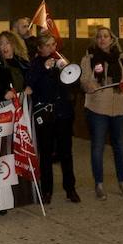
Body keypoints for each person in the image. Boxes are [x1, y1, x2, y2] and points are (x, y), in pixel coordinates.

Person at [79, 26, 123, 200]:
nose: (102, 39)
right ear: (96, 39)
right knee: (98, 147)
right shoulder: (89, 57)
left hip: (119, 108)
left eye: (105, 36)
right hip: (97, 108)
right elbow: (84, 79)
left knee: (119, 147)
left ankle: (122, 182)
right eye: (99, 37)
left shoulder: (120, 57)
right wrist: (89, 85)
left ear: (112, 39)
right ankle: (99, 184)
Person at [28, 33, 80, 204]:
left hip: (63, 113)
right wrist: (44, 68)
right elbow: (31, 84)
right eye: (48, 45)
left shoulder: (61, 60)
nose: (52, 48)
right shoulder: (35, 64)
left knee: (66, 152)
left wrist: (66, 69)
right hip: (45, 114)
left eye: (53, 44)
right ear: (40, 48)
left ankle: (70, 188)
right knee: (46, 153)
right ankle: (47, 190)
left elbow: (73, 83)